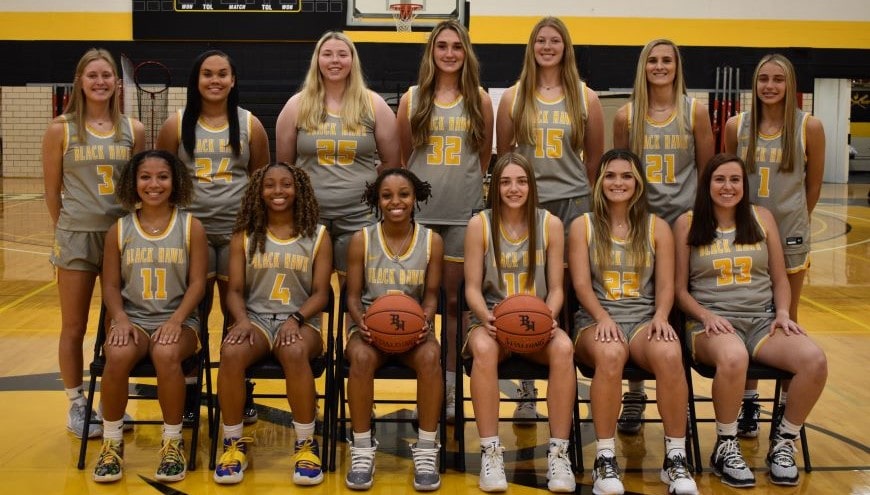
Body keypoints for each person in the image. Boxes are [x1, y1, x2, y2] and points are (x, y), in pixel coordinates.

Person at [674, 153, 827, 488]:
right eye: (719, 180)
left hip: (762, 321)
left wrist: (784, 313)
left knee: (814, 360)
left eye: (735, 180)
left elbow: (780, 278)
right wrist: (705, 315)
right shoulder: (688, 222)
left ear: (744, 185)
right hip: (709, 324)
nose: (727, 187)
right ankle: (726, 445)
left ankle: (784, 442)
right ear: (707, 184)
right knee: (733, 356)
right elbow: (678, 290)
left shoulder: (762, 218)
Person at [568, 149, 697, 495]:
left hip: (643, 319)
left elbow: (667, 285)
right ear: (599, 182)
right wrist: (602, 316)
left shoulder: (658, 227)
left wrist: (659, 316)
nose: (618, 182)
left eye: (626, 176)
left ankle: (675, 458)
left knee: (671, 354)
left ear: (638, 183)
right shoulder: (582, 225)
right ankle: (605, 459)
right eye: (610, 175)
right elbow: (580, 285)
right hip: (595, 319)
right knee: (609, 355)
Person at [495, 16, 604, 419]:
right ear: (532, 47)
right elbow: (506, 155)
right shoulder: (513, 96)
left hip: (573, 201)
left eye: (554, 40)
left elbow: (594, 160)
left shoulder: (584, 96)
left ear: (565, 47)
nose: (547, 46)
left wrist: (588, 204)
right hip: (525, 203)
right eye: (540, 40)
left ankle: (572, 371)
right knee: (526, 283)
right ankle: (525, 385)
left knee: (572, 289)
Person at [157, 49, 270, 425]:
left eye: (223, 74)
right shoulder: (175, 125)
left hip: (238, 234)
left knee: (237, 313)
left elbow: (260, 181)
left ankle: (240, 388)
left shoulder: (250, 124)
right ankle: (190, 390)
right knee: (194, 315)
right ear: (197, 80)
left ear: (233, 80)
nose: (215, 80)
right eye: (207, 74)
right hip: (192, 235)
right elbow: (162, 179)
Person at [611, 38, 715, 435]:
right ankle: (635, 393)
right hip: (642, 226)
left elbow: (707, 172)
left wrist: (698, 222)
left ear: (677, 66)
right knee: (641, 304)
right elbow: (619, 172)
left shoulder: (696, 111)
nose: (659, 66)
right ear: (644, 67)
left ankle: (679, 395)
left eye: (666, 60)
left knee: (678, 310)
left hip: (684, 224)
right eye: (652, 60)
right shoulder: (627, 116)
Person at [42, 48, 145, 438]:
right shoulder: (60, 129)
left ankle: (111, 401)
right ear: (80, 82)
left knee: (117, 324)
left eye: (107, 76)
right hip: (77, 237)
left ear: (117, 83)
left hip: (122, 237)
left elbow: (141, 185)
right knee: (74, 326)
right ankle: (75, 402)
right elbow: (52, 191)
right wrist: (65, 229)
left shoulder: (132, 130)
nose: (100, 82)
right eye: (93, 76)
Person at [397, 19, 493, 424]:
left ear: (465, 52)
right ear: (432, 53)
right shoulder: (412, 98)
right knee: (420, 302)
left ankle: (451, 385)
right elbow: (405, 158)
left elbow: (484, 157)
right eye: (442, 46)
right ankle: (429, 377)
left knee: (456, 306)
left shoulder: (481, 100)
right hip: (420, 217)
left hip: (462, 216)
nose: (449, 53)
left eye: (456, 46)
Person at [724, 54, 825, 439]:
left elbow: (812, 186)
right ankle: (749, 399)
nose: (769, 86)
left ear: (790, 85)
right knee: (746, 312)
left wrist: (791, 221)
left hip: (789, 232)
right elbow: (729, 177)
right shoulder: (737, 126)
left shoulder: (808, 127)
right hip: (747, 234)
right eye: (763, 79)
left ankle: (785, 408)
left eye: (777, 80)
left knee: (787, 319)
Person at [213, 163, 333, 486]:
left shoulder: (317, 235)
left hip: (302, 320)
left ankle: (306, 444)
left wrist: (296, 318)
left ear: (299, 190)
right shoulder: (244, 235)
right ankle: (232, 443)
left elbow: (322, 293)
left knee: (294, 351)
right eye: (269, 185)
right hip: (256, 318)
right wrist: (240, 320)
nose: (278, 191)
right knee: (231, 352)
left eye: (286, 185)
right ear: (258, 191)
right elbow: (235, 291)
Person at [464, 153, 576, 493]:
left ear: (532, 185)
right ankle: (491, 451)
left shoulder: (551, 224)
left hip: (539, 322)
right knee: (482, 347)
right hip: (494, 321)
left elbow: (557, 289)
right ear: (494, 187)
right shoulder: (479, 225)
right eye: (506, 182)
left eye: (522, 181)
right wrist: (487, 318)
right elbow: (471, 288)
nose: (514, 188)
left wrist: (549, 317)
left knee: (565, 348)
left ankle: (558, 453)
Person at [94, 149, 207, 483]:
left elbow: (198, 284)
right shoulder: (120, 228)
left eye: (162, 177)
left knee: (166, 353)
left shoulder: (191, 227)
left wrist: (176, 321)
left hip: (179, 320)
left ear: (175, 182)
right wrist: (120, 320)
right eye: (145, 177)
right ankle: (112, 443)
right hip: (133, 320)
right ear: (134, 182)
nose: (154, 184)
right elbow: (111, 285)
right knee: (116, 355)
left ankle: (172, 442)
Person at [343, 168, 444, 491]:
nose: (395, 201)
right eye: (387, 195)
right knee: (359, 357)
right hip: (369, 330)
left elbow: (430, 297)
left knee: (431, 356)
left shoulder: (432, 242)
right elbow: (353, 297)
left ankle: (427, 449)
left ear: (416, 198)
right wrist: (361, 321)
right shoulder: (362, 239)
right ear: (377, 200)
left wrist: (425, 322)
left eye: (404, 194)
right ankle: (361, 447)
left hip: (414, 332)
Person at [276, 31, 401, 276]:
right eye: (328, 54)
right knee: (310, 293)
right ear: (317, 60)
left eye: (343, 54)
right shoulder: (296, 105)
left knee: (355, 295)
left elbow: (391, 163)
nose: (335, 60)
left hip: (359, 216)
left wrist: (361, 187)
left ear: (352, 61)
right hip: (310, 215)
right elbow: (284, 168)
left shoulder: (374, 104)